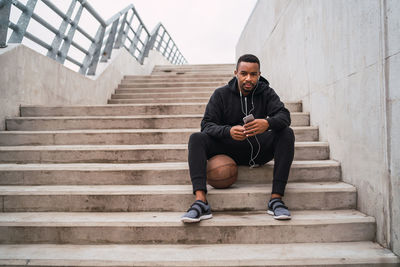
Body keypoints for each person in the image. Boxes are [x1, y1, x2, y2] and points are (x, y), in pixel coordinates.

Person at [181, 54, 295, 223]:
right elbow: (206, 125)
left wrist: (267, 123)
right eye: (243, 73)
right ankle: (200, 202)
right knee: (196, 138)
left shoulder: (266, 92)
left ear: (259, 74)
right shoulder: (221, 94)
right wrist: (228, 131)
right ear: (236, 73)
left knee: (287, 133)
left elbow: (284, 116)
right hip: (227, 151)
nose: (248, 79)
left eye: (253, 74)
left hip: (258, 151)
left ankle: (276, 199)